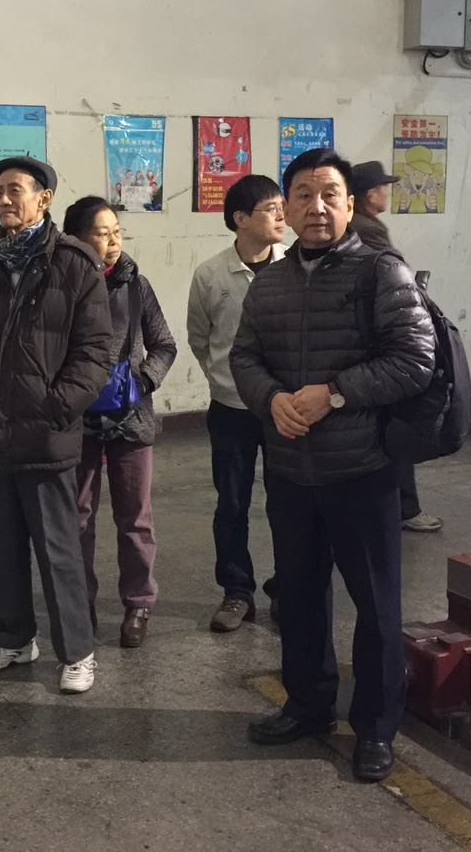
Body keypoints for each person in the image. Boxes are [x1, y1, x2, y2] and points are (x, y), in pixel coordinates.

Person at [231, 148, 435, 781]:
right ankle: (308, 705)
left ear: (349, 203)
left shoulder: (381, 272)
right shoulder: (270, 281)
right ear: (286, 208)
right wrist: (271, 400)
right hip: (291, 471)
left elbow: (415, 359)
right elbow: (244, 357)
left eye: (328, 194)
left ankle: (375, 727)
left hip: (362, 471)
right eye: (302, 195)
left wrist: (335, 393)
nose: (316, 207)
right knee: (299, 596)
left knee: (375, 606)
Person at [0, 156, 110, 693]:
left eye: (15, 190)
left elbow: (95, 351)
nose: (4, 199)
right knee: (2, 545)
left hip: (46, 435)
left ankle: (78, 652)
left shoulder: (74, 262)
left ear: (44, 199)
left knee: (59, 551)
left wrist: (56, 406)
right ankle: (13, 638)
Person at [62, 196, 177, 648]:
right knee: (77, 519)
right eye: (102, 232)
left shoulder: (135, 285)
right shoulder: (62, 285)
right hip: (76, 419)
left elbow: (164, 344)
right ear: (76, 239)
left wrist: (142, 382)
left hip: (132, 419)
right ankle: (80, 603)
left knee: (135, 520)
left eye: (117, 232)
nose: (113, 241)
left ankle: (138, 604)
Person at [186, 175, 287, 632]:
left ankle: (287, 588)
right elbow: (200, 338)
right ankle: (236, 592)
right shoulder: (211, 275)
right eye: (270, 208)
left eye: (281, 206)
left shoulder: (295, 267)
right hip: (230, 408)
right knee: (232, 503)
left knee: (289, 503)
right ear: (240, 219)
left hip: (286, 407)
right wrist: (224, 382)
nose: (281, 215)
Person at [350, 160, 444, 535]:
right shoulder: (367, 231)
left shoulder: (359, 227)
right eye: (381, 188)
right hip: (382, 346)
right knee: (396, 429)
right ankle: (404, 508)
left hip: (370, 347)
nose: (386, 194)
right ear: (367, 194)